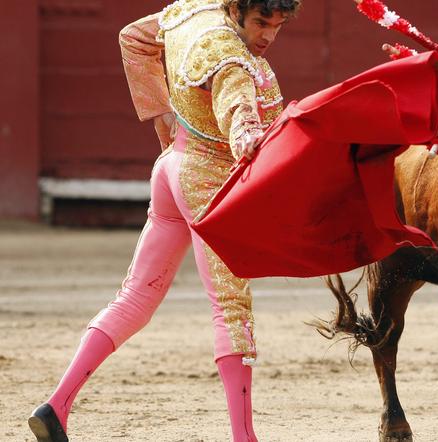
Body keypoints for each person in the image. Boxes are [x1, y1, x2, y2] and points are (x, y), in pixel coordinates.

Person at [28, 1, 301, 441]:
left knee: (135, 296)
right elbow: (238, 112)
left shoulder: (192, 10)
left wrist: (162, 115)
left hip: (172, 166)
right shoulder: (229, 54)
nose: (268, 35)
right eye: (260, 22)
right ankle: (244, 438)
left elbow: (133, 38)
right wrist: (249, 139)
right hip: (206, 183)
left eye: (278, 25)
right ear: (237, 10)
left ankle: (56, 406)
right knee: (230, 308)